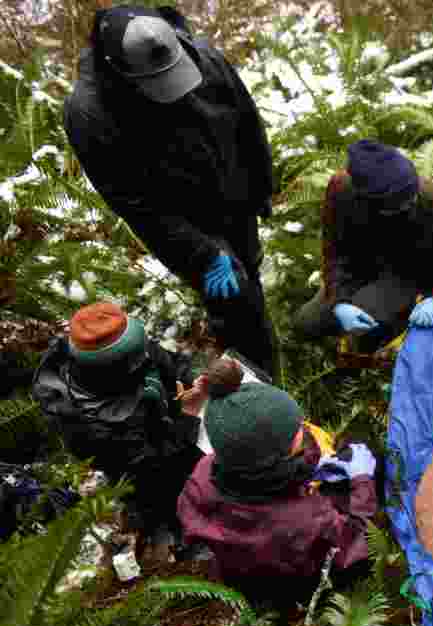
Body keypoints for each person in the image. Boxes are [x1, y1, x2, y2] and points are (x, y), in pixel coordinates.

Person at [63, 5, 279, 381]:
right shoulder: (90, 112)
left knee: (250, 271)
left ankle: (256, 340)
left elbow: (247, 121)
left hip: (235, 197)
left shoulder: (205, 59)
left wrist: (260, 190)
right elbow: (133, 201)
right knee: (233, 301)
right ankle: (257, 388)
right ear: (118, 68)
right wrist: (204, 253)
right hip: (186, 221)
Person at [176, 358, 378, 606]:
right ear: (274, 457)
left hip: (241, 578)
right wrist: (362, 481)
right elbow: (353, 544)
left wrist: (306, 473)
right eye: (296, 430)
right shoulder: (307, 519)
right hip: (294, 590)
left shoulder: (203, 471)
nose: (302, 429)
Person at [31, 301, 205, 548]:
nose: (146, 356)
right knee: (163, 500)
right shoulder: (84, 423)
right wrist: (187, 417)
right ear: (117, 372)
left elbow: (168, 363)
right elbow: (151, 466)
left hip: (174, 428)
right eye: (137, 357)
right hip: (149, 472)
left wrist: (195, 381)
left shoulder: (129, 346)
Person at [295, 139, 433, 352]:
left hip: (410, 274)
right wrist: (339, 301)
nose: (411, 203)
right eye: (402, 203)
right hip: (362, 267)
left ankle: (385, 330)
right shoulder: (342, 190)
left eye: (412, 198)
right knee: (307, 323)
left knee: (363, 336)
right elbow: (335, 253)